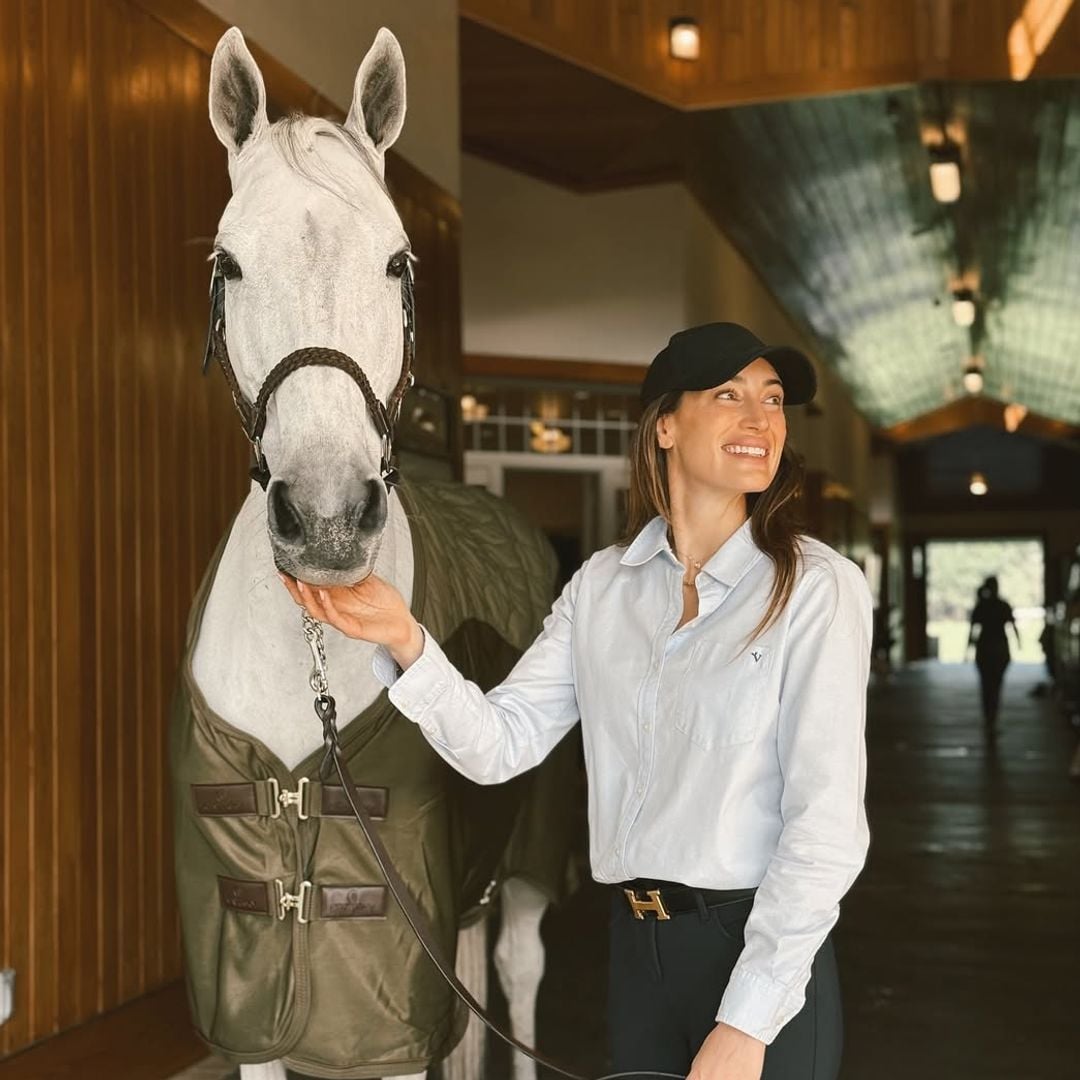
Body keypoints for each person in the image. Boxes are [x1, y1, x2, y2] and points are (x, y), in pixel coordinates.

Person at [282, 322, 873, 1080]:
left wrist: (746, 1020)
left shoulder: (816, 589)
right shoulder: (600, 587)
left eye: (773, 399)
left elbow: (825, 832)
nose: (761, 420)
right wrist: (406, 640)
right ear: (665, 422)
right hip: (637, 955)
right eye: (728, 395)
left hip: (762, 953)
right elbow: (501, 744)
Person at [967, 576, 1020, 737]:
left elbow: (973, 630)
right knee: (996, 685)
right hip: (999, 649)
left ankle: (989, 718)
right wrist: (1019, 642)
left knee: (986, 685)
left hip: (985, 649)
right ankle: (992, 718)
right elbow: (1012, 625)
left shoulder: (982, 606)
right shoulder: (1002, 605)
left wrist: (967, 648)